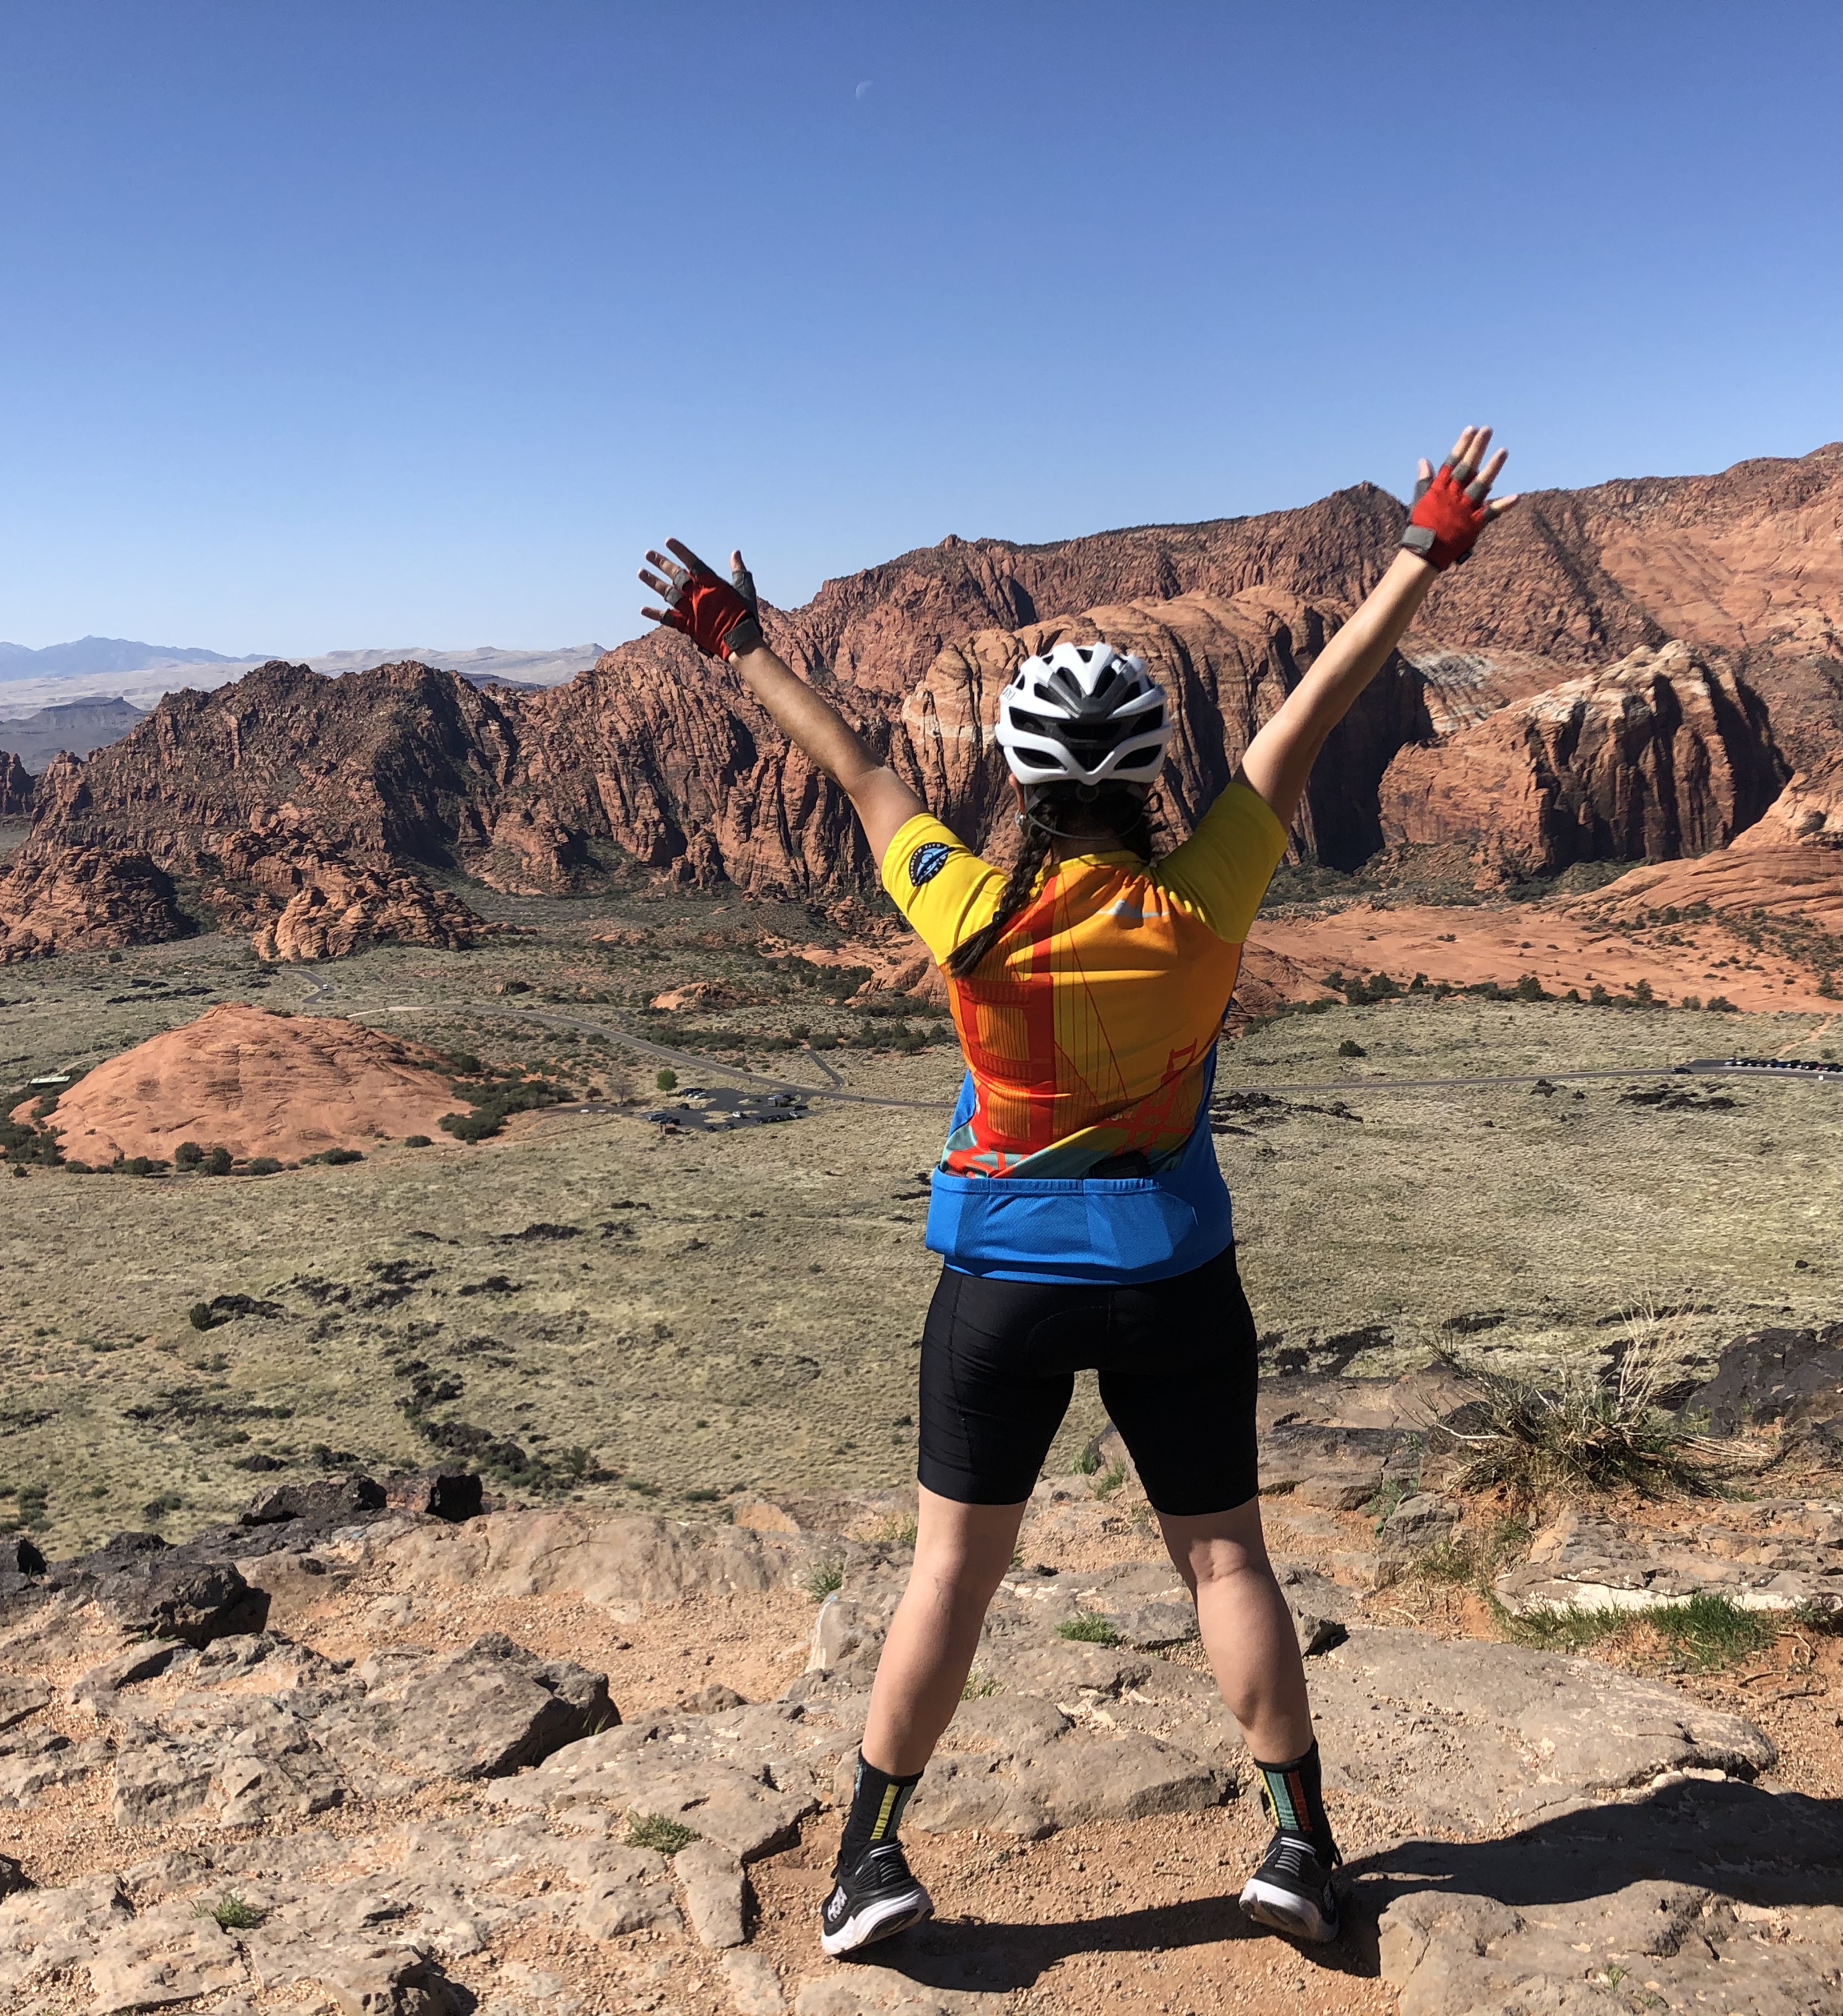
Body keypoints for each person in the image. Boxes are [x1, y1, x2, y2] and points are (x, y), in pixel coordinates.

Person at [635, 427, 1510, 1956]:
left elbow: (854, 765)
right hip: (1175, 1273)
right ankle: (1300, 1851)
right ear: (1152, 772)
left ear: (1026, 778)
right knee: (1225, 1556)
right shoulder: (1209, 890)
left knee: (951, 1579)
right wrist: (1421, 554)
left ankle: (868, 1868)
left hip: (1002, 1291)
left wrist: (740, 643)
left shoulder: (966, 909)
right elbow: (1324, 700)